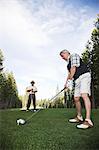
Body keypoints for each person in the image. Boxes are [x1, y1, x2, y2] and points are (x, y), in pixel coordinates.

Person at [60, 49, 93, 129]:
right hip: (77, 79)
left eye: (62, 55)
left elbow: (73, 68)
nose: (62, 58)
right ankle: (79, 117)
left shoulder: (73, 55)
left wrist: (70, 81)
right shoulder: (68, 64)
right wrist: (66, 83)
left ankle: (88, 121)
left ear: (66, 53)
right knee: (76, 98)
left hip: (84, 76)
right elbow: (69, 74)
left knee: (84, 95)